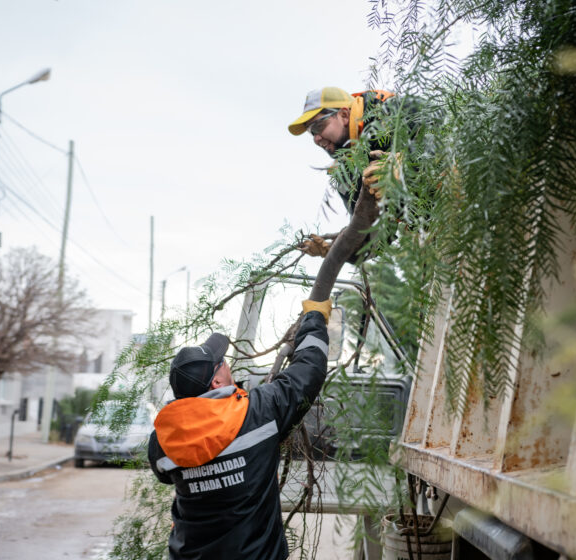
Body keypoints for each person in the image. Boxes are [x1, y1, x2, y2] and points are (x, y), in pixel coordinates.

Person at [147, 299, 332, 560]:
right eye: (222, 361)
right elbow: (308, 371)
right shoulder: (258, 413)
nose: (227, 363)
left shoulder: (162, 441)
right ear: (217, 381)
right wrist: (315, 316)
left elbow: (165, 475)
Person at [288, 87, 425, 258]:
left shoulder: (390, 111)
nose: (316, 138)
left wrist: (404, 164)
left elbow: (448, 133)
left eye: (319, 125)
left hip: (462, 202)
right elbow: (374, 241)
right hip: (435, 235)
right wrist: (333, 250)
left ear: (344, 115)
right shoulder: (345, 174)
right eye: (312, 132)